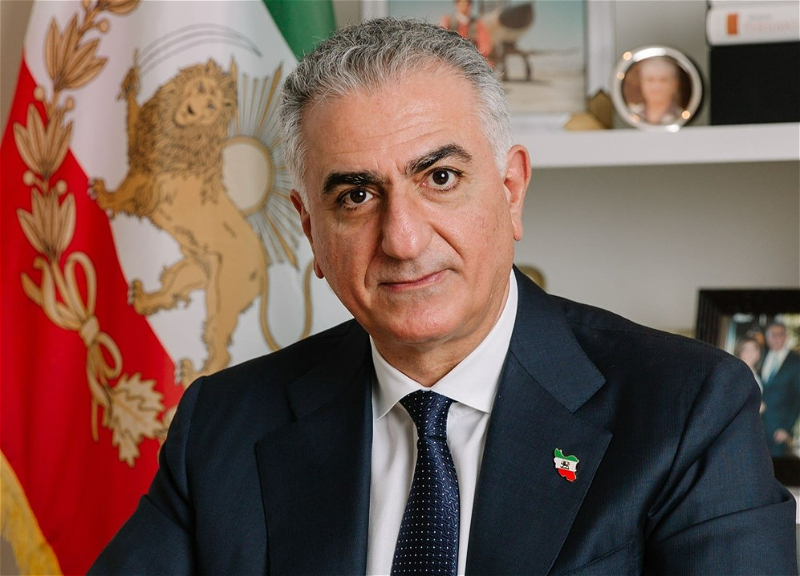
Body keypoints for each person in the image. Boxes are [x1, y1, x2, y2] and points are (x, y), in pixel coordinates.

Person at [89, 18, 797, 575]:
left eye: (440, 178)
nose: (402, 239)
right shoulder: (223, 426)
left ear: (511, 191)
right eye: (356, 195)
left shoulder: (686, 409)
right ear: (309, 229)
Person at [760, 321, 800, 457]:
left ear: (785, 336)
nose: (777, 338)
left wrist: (786, 428)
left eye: (780, 334)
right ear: (767, 337)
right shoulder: (760, 356)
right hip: (755, 426)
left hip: (778, 431)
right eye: (773, 334)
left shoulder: (796, 361)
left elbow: (798, 398)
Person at [628, 56, 683, 125]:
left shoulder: (681, 116)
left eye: (663, 80)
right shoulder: (631, 114)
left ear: (674, 84)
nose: (656, 87)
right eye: (650, 80)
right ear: (641, 83)